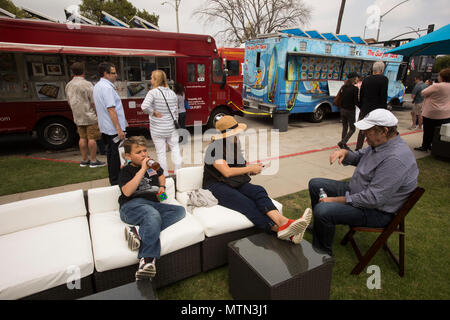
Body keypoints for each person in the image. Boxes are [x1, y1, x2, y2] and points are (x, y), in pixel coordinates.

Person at [309, 109, 418, 256]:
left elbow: (372, 199)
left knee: (323, 210)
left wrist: (333, 200)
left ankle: (323, 256)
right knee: (316, 184)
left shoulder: (396, 159)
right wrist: (345, 153)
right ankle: (320, 229)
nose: (363, 134)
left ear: (384, 131)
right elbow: (360, 155)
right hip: (359, 193)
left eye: (367, 131)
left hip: (376, 211)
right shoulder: (381, 144)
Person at [202, 115, 312, 244]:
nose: (238, 135)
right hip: (216, 185)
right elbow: (226, 172)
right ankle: (276, 228)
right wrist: (250, 168)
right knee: (245, 202)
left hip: (233, 181)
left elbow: (240, 167)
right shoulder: (214, 149)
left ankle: (284, 223)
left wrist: (253, 169)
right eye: (235, 133)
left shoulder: (234, 145)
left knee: (258, 191)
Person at [118, 136, 186, 280]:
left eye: (144, 150)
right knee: (152, 214)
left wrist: (162, 188)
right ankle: (147, 260)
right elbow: (127, 192)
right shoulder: (126, 170)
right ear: (128, 156)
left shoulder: (153, 165)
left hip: (153, 205)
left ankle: (137, 231)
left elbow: (161, 175)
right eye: (138, 152)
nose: (143, 154)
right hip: (131, 206)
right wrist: (143, 169)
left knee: (180, 211)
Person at [141, 70, 182, 176]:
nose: (150, 80)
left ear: (156, 79)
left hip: (157, 129)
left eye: (151, 77)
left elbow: (144, 106)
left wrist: (153, 112)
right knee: (175, 150)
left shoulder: (152, 92)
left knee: (161, 153)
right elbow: (175, 112)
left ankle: (165, 175)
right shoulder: (172, 93)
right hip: (171, 128)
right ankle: (179, 172)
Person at [93, 62, 128, 185]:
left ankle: (114, 179)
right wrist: (119, 129)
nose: (116, 75)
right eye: (113, 73)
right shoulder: (107, 88)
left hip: (106, 127)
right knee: (115, 157)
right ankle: (115, 181)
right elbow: (111, 109)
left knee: (112, 155)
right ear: (105, 74)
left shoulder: (97, 86)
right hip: (113, 129)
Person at [65, 62, 105, 168]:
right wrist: (98, 114)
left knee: (82, 137)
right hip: (89, 115)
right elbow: (93, 101)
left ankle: (84, 160)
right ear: (83, 71)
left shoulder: (68, 85)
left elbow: (69, 100)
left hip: (78, 115)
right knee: (92, 138)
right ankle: (93, 160)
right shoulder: (87, 84)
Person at [414, 68, 450, 152]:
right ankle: (435, 146)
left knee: (428, 130)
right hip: (446, 113)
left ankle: (425, 146)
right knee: (438, 132)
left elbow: (423, 93)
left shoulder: (437, 86)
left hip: (432, 112)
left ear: (442, 77)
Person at [355, 61, 389, 150]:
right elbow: (383, 96)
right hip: (376, 110)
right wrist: (384, 111)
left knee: (363, 130)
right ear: (382, 70)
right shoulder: (384, 79)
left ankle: (358, 148)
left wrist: (362, 106)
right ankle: (374, 147)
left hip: (365, 108)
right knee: (376, 130)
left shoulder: (366, 79)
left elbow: (361, 95)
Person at [337, 72, 359, 150]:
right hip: (350, 111)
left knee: (345, 127)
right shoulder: (355, 89)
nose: (358, 79)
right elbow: (356, 102)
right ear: (354, 79)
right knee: (352, 129)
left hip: (342, 110)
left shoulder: (344, 87)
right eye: (357, 78)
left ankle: (343, 144)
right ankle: (343, 142)